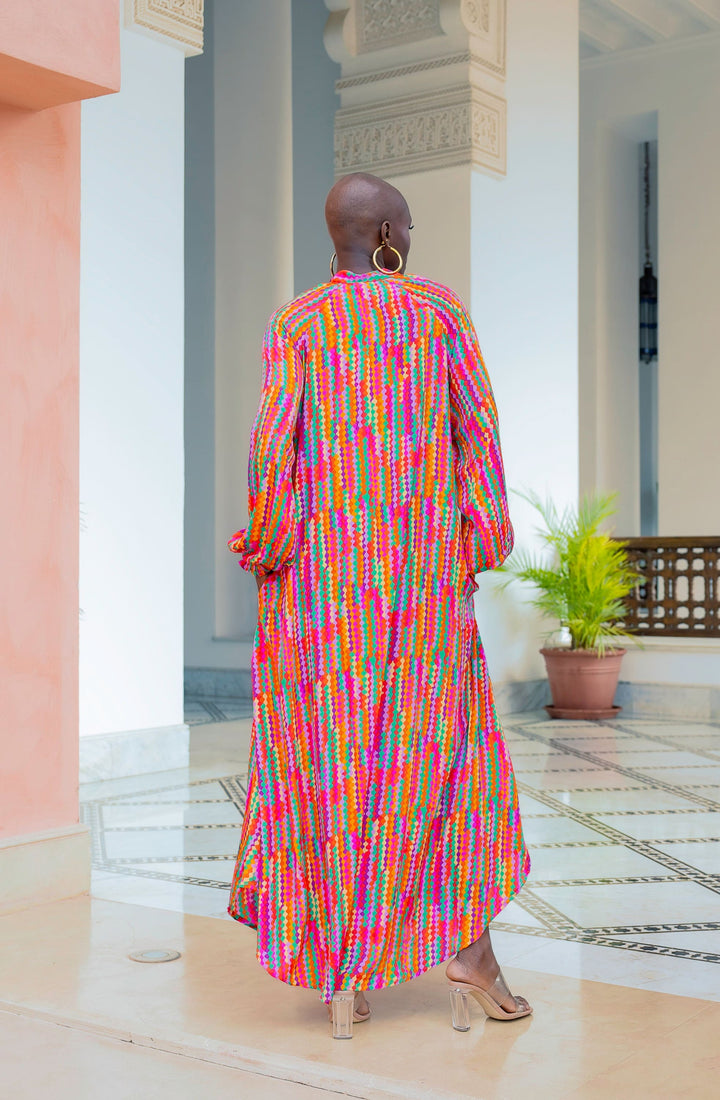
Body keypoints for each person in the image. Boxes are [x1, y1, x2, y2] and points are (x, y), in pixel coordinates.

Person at [227, 172, 531, 1038]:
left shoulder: (297, 323)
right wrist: (480, 541)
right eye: (409, 226)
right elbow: (478, 437)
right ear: (390, 233)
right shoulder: (437, 313)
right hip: (421, 589)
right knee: (442, 760)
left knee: (327, 764)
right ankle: (470, 953)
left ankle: (340, 971)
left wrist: (268, 546)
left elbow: (271, 453)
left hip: (317, 602)